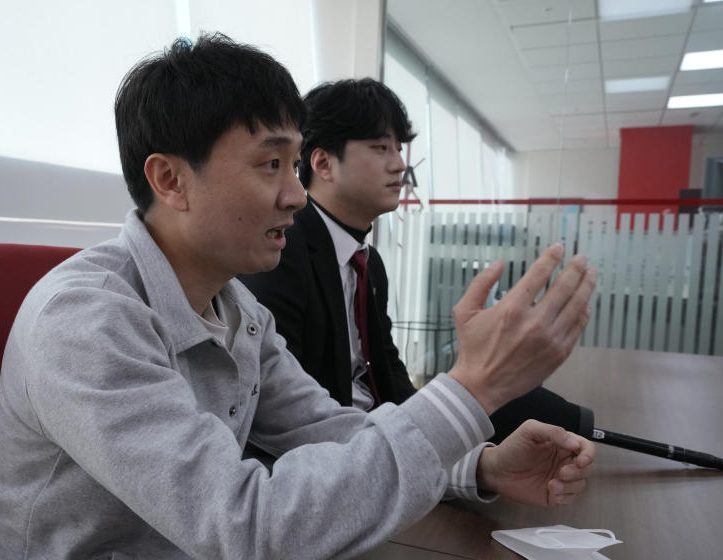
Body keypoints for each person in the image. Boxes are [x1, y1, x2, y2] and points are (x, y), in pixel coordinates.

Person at [0, 34, 598, 560]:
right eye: (271, 165)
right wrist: (471, 391)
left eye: (295, 164)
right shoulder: (87, 323)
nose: (296, 195)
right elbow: (250, 534)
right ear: (170, 180)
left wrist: (477, 464)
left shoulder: (233, 304)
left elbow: (329, 427)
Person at [239, 78, 594, 441]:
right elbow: (284, 404)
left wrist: (429, 435)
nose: (399, 165)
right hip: (333, 446)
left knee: (528, 412)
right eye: (380, 147)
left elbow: (388, 371)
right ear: (324, 163)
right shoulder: (282, 248)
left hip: (382, 435)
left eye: (399, 148)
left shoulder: (368, 263)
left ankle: (589, 430)